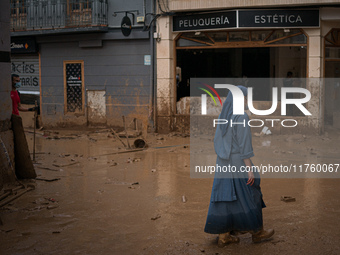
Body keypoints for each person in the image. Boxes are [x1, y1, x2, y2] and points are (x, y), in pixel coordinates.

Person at [204, 85, 274, 247]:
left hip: (222, 162)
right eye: (245, 97)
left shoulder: (224, 116)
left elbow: (217, 141)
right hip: (237, 162)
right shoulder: (241, 117)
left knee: (225, 197)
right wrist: (249, 169)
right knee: (252, 192)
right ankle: (257, 232)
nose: (247, 100)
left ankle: (224, 235)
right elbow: (244, 147)